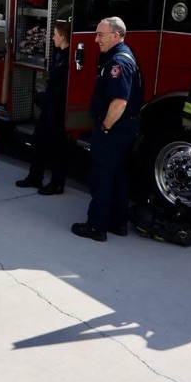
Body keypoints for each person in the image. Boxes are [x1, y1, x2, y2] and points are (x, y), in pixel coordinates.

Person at [71, 17, 144, 242]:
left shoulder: (118, 63)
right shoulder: (123, 56)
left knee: (101, 176)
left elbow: (119, 102)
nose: (95, 40)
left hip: (114, 127)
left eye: (100, 35)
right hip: (124, 127)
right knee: (117, 174)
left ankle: (96, 226)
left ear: (115, 35)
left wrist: (104, 127)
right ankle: (118, 223)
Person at [15, 22, 71, 195]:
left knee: (57, 146)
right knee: (38, 141)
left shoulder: (69, 57)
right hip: (50, 105)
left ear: (62, 37)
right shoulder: (59, 54)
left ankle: (57, 183)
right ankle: (35, 177)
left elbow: (64, 85)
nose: (52, 37)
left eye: (54, 34)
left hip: (59, 107)